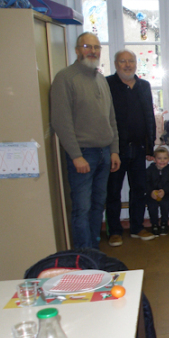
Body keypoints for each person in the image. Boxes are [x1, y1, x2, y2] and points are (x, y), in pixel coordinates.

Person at [50, 32, 121, 249]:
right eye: (87, 46)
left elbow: (111, 118)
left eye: (96, 47)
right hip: (83, 155)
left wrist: (114, 150)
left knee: (98, 206)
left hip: (104, 153)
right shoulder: (65, 78)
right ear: (77, 50)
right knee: (82, 208)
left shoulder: (100, 79)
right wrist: (76, 155)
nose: (93, 51)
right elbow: (61, 122)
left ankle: (93, 253)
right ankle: (84, 256)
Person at [105, 49, 157, 246]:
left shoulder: (144, 86)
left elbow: (149, 116)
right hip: (116, 149)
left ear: (136, 64)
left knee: (139, 190)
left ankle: (137, 227)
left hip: (139, 148)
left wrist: (150, 147)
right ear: (115, 64)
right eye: (122, 61)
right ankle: (114, 231)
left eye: (131, 61)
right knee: (113, 191)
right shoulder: (107, 84)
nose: (127, 65)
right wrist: (111, 149)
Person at [145, 146, 169, 237]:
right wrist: (151, 192)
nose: (162, 161)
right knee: (152, 206)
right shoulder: (150, 169)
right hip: (151, 194)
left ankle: (164, 223)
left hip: (164, 193)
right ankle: (154, 224)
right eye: (159, 158)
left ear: (168, 159)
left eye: (165, 158)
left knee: (165, 205)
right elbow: (146, 182)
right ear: (154, 159)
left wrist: (164, 190)